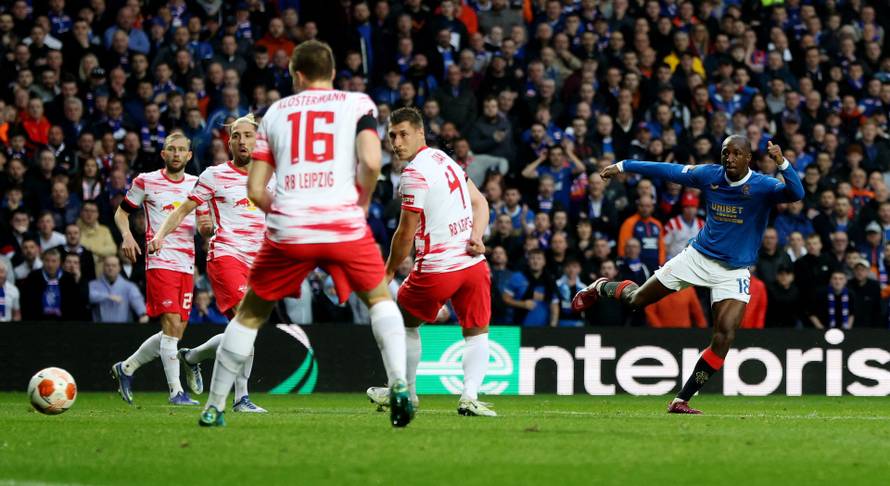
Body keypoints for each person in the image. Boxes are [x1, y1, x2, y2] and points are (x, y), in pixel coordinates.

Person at [198, 41, 411, 428]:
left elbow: (256, 189)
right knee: (379, 299)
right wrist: (360, 203)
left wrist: (282, 213)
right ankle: (398, 384)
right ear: (332, 71)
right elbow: (369, 160)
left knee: (248, 315)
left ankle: (213, 407)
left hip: (289, 228)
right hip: (343, 222)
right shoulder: (358, 103)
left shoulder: (275, 113)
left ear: (296, 74)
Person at [572, 136, 803, 414]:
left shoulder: (763, 186)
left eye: (736, 153)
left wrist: (782, 163)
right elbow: (666, 170)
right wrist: (624, 165)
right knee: (635, 301)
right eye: (725, 153)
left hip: (733, 271)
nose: (728, 158)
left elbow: (796, 193)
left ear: (748, 159)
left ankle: (681, 399)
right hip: (697, 258)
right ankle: (601, 287)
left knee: (725, 336)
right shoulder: (709, 175)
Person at [366, 106, 494, 417]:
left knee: (403, 322)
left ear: (420, 133)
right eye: (392, 136)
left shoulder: (413, 174)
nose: (396, 142)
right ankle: (469, 396)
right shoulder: (443, 158)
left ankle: (406, 392)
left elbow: (405, 233)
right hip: (473, 265)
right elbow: (481, 201)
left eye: (403, 134)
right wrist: (478, 236)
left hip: (438, 268)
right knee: (477, 331)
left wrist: (387, 272)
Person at [148, 114, 269, 414]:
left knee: (243, 331)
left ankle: (193, 357)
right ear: (229, 143)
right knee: (245, 323)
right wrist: (160, 235)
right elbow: (182, 210)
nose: (242, 141)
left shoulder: (271, 176)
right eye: (237, 136)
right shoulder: (213, 175)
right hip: (226, 255)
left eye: (248, 136)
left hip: (260, 262)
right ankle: (241, 398)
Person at [110, 132, 200, 406]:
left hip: (187, 264)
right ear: (163, 154)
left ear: (189, 155)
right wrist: (127, 235)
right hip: (159, 260)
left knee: (175, 332)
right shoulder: (146, 181)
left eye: (181, 150)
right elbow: (121, 212)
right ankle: (176, 393)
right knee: (171, 324)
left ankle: (126, 368)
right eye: (170, 149)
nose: (175, 154)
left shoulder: (198, 185)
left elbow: (204, 222)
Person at [20, 248, 83, 321]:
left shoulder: (68, 279)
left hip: (63, 324)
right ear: (42, 261)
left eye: (54, 261)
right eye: (47, 261)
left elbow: (74, 306)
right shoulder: (33, 277)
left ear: (59, 262)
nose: (50, 264)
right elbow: (27, 304)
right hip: (38, 323)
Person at [89, 255, 148, 323]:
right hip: (99, 328)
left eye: (114, 265)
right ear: (103, 267)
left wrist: (143, 314)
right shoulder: (93, 284)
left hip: (123, 328)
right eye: (107, 265)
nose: (110, 268)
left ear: (119, 268)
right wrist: (107, 296)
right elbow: (89, 296)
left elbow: (137, 300)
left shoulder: (129, 286)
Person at [663, 192, 704, 259]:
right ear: (682, 208)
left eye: (693, 206)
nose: (690, 210)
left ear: (697, 209)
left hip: (694, 262)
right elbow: (664, 245)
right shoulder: (672, 223)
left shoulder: (701, 224)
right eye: (687, 206)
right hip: (675, 261)